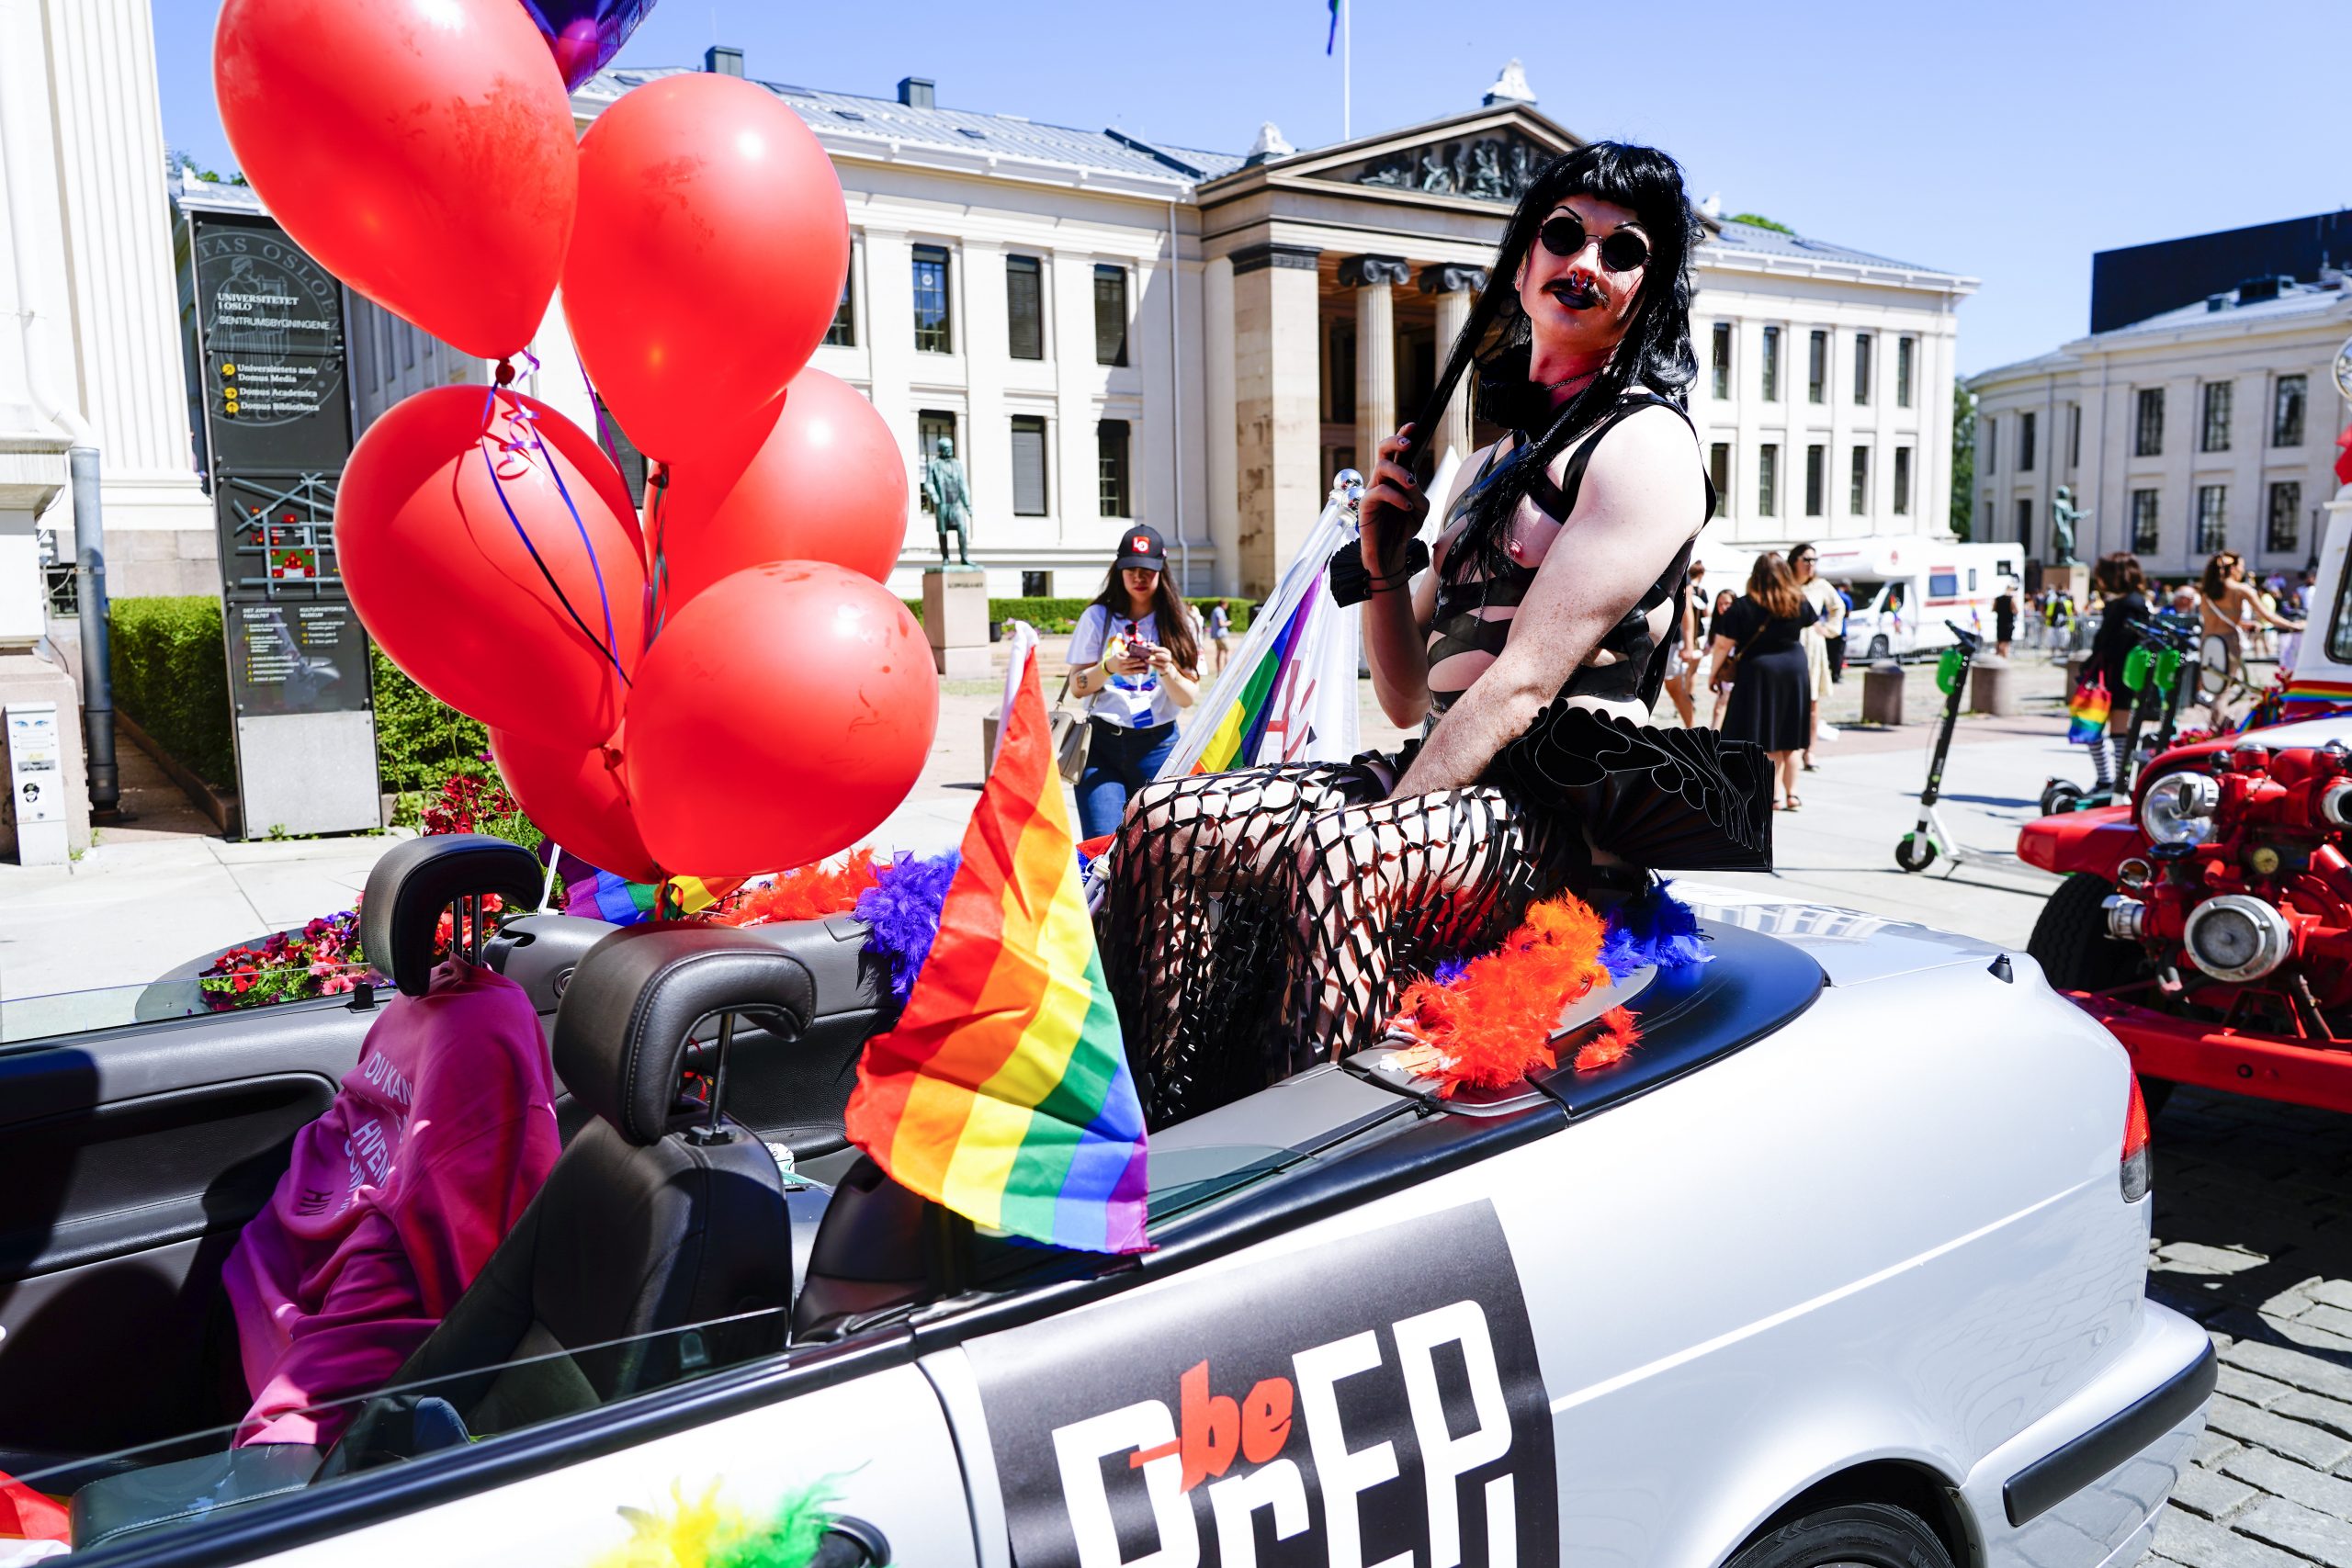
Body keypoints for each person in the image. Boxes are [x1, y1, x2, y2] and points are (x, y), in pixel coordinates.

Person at [1099, 141, 1749, 1125]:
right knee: (1164, 823)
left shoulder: (1646, 443)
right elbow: (1409, 696)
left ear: (1647, 295)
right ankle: (1163, 1120)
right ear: (1523, 264)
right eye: (1563, 235)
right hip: (1449, 788)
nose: (1584, 262)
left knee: (1344, 858)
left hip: (1553, 819)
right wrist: (1382, 558)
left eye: (1622, 252)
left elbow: (1521, 684)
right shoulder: (1486, 464)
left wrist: (1380, 823)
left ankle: (1310, 1160)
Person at [1065, 525, 1201, 839]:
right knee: (1102, 845)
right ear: (1119, 570)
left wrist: (1167, 669)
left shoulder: (1182, 620)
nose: (1139, 577)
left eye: (1147, 570)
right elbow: (1077, 686)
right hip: (1101, 747)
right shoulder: (1097, 617)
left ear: (1161, 570)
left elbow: (1187, 698)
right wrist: (1109, 667)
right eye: (1131, 570)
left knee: (1161, 847)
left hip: (1159, 746)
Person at [1711, 553, 1816, 810]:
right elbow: (1813, 626)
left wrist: (1714, 673)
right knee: (1790, 736)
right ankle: (1793, 794)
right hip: (1794, 668)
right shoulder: (1798, 600)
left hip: (1759, 671)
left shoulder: (1743, 606)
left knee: (1768, 735)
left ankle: (1774, 795)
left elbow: (1723, 645)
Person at [2198, 551, 2300, 727]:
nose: (2243, 571)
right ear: (2233, 569)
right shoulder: (2240, 589)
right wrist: (2294, 626)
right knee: (2223, 691)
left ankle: (2213, 726)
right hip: (2228, 642)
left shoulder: (2206, 590)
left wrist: (2243, 624)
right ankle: (2216, 729)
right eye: (2242, 567)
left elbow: (2214, 618)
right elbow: (2268, 616)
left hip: (2208, 641)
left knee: (2214, 687)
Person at [2085, 553, 2152, 794]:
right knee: (2095, 729)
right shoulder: (2122, 603)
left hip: (2118, 677)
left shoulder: (2131, 604)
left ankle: (2114, 783)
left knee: (2113, 731)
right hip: (2111, 675)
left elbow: (2119, 643)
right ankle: (2109, 781)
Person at [1788, 543, 1841, 771]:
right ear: (1795, 561)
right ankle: (1787, 749)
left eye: (1814, 560)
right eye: (1806, 560)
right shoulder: (1785, 583)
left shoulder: (1820, 585)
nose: (1811, 565)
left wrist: (1829, 630)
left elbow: (1838, 607)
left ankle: (1809, 751)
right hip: (1788, 643)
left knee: (1811, 702)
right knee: (1787, 701)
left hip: (1812, 645)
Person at [1707, 586, 1738, 727]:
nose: (1723, 607)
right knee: (1720, 709)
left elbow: (1723, 649)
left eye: (1727, 603)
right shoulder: (1717, 625)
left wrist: (1712, 675)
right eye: (1720, 604)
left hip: (1731, 674)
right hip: (1723, 674)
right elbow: (1709, 648)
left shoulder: (1738, 626)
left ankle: (1713, 737)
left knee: (1720, 709)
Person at [1205, 600, 1233, 673]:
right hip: (1222, 635)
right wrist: (1228, 623)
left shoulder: (1215, 610)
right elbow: (1221, 623)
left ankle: (1218, 672)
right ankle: (1227, 672)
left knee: (1219, 652)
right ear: (1223, 604)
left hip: (1216, 635)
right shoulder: (1220, 611)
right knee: (1228, 651)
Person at [1993, 580, 2018, 660]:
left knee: (1999, 641)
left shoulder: (1998, 599)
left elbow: (1993, 609)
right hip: (2008, 623)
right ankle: (2004, 660)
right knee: (2005, 643)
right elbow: (2016, 610)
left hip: (2000, 622)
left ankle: (1997, 659)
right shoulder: (2011, 599)